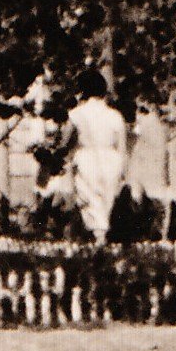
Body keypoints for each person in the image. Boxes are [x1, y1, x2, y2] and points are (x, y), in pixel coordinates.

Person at [60, 74, 133, 241]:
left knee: (89, 201)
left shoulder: (76, 113)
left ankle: (97, 241)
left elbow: (65, 142)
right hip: (112, 161)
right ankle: (99, 238)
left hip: (87, 159)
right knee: (104, 203)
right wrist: (124, 174)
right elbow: (122, 148)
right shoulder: (116, 116)